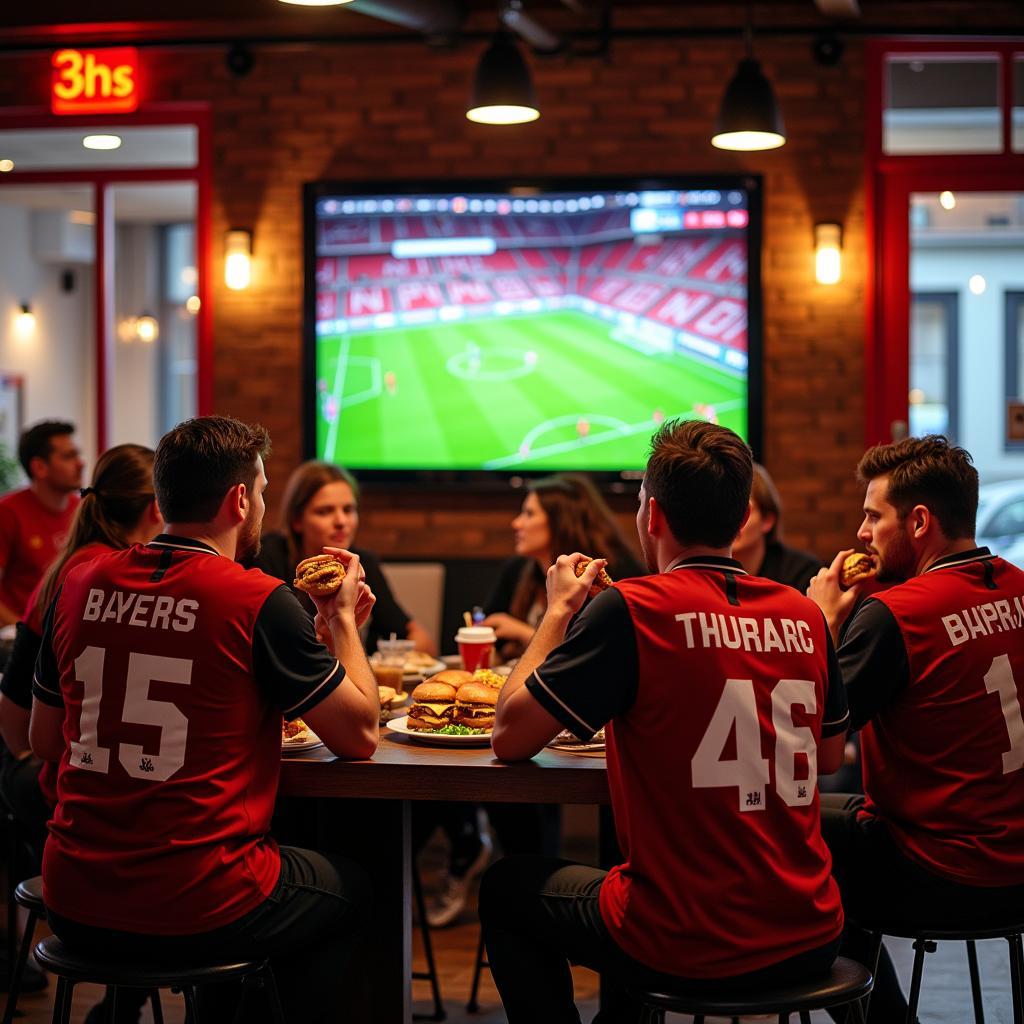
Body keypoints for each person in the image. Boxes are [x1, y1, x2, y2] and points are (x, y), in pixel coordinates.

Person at [479, 420, 849, 1024]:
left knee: (507, 889)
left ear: (651, 516)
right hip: (811, 930)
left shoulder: (632, 608)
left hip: (687, 941)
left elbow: (510, 736)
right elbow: (829, 759)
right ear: (739, 521)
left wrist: (557, 612)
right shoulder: (806, 614)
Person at [29, 416, 380, 1024]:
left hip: (73, 895)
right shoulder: (257, 597)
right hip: (201, 901)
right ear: (240, 499)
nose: (264, 506)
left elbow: (41, 740)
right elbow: (360, 736)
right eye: (264, 492)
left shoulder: (76, 582)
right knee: (354, 888)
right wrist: (343, 620)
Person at [807, 435, 1024, 1024]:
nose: (861, 532)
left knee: (783, 834)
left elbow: (811, 740)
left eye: (873, 515)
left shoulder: (897, 615)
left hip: (943, 870)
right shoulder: (1019, 585)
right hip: (1017, 865)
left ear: (920, 521)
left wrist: (822, 622)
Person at [0, 444, 162, 866]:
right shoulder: (115, 575)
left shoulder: (71, 564)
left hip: (49, 771)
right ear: (157, 508)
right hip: (68, 784)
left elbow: (12, 702)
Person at [255, 460, 436, 655]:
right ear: (297, 520)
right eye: (324, 511)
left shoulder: (361, 563)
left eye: (348, 510)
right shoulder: (267, 556)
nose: (341, 521)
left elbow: (421, 641)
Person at [482, 473, 644, 660]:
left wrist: (523, 633)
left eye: (529, 514)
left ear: (561, 521)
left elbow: (597, 653)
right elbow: (488, 631)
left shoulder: (611, 574)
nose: (516, 523)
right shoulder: (518, 569)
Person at [0, 421, 84, 625]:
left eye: (77, 454)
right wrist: (22, 634)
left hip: (64, 633)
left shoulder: (82, 510)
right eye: (68, 456)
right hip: (20, 639)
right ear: (39, 467)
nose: (81, 463)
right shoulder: (8, 513)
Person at [732, 462, 822, 592]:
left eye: (742, 512)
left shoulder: (803, 573)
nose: (731, 521)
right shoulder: (704, 571)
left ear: (767, 520)